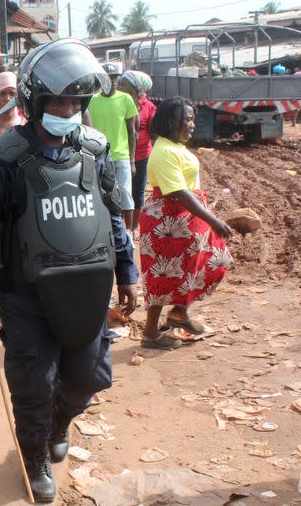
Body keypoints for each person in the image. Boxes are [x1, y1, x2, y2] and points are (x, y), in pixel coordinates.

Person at [0, 39, 138, 503]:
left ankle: (61, 420)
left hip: (87, 287)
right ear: (35, 101)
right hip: (26, 293)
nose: (67, 109)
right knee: (33, 382)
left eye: (75, 101)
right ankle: (35, 454)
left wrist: (129, 273)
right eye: (58, 100)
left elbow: (112, 217)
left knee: (87, 378)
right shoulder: (3, 158)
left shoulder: (95, 149)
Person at [139, 97, 233, 349]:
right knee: (164, 273)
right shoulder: (164, 150)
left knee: (205, 263)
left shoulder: (175, 146)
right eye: (187, 119)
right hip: (168, 219)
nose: (192, 124)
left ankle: (180, 313)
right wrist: (213, 220)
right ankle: (150, 333)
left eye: (193, 118)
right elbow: (178, 192)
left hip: (187, 218)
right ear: (171, 120)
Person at [87, 63, 138, 230]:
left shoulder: (126, 99)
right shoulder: (91, 101)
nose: (113, 81)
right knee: (100, 194)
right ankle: (105, 229)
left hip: (121, 157)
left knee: (125, 194)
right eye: (109, 77)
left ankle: (129, 231)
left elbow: (132, 132)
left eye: (116, 77)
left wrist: (132, 161)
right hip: (99, 156)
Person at [117, 70, 156, 235]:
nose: (119, 86)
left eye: (123, 84)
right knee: (120, 191)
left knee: (137, 190)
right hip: (121, 154)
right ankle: (121, 225)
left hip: (142, 155)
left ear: (135, 90)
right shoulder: (117, 101)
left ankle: (133, 227)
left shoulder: (148, 107)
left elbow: (153, 132)